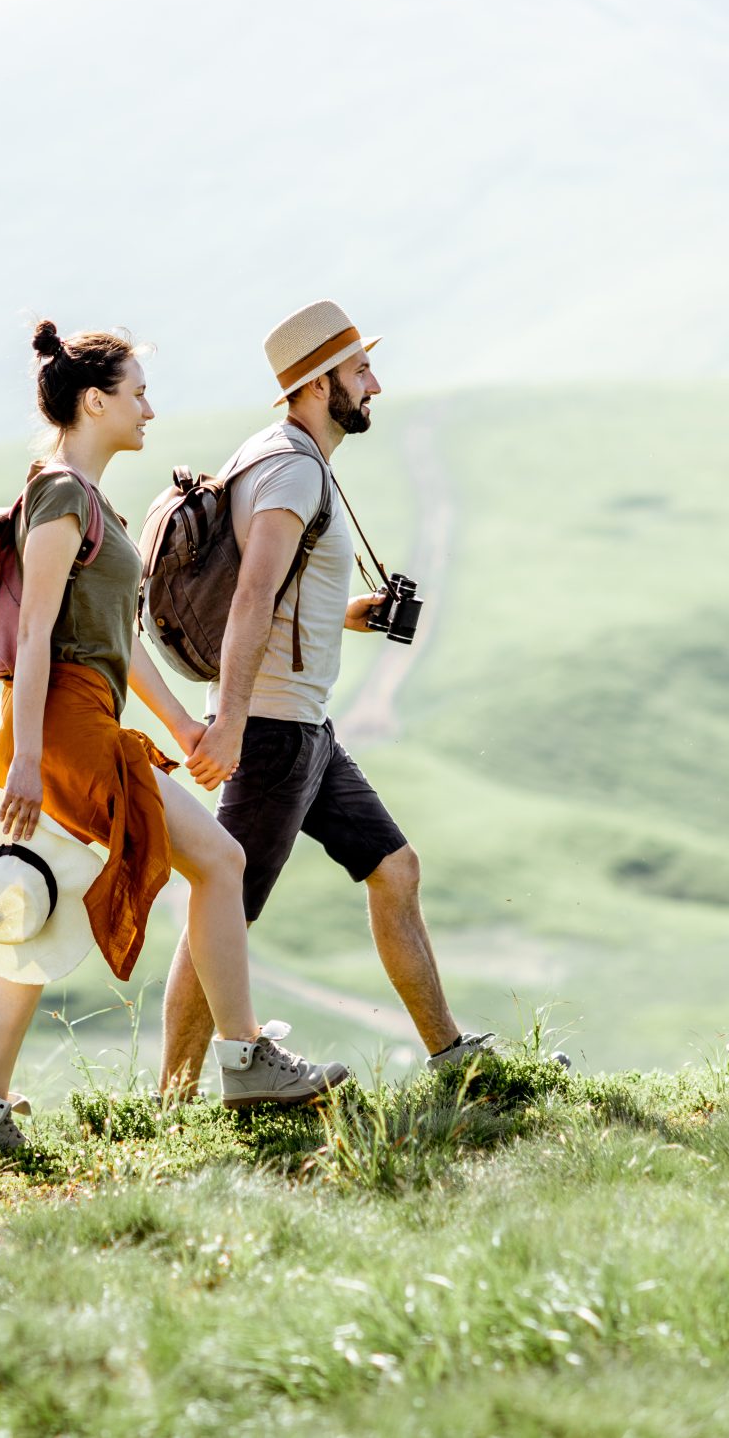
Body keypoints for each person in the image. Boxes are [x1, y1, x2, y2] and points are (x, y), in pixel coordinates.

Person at [0, 320, 349, 1154]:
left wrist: (184, 726)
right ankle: (244, 1057)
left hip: (74, 717)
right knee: (222, 860)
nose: (149, 410)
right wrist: (26, 757)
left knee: (34, 906)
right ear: (95, 401)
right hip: (57, 725)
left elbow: (117, 646)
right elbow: (35, 639)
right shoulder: (60, 496)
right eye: (136, 394)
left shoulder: (89, 503)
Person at [160, 301, 495, 1099]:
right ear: (317, 383)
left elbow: (282, 594)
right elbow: (250, 595)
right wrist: (233, 721)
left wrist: (353, 614)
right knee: (225, 913)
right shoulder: (291, 467)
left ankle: (451, 1056)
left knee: (395, 867)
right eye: (359, 371)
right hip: (273, 730)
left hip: (306, 728)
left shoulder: (286, 457)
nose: (373, 383)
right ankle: (169, 1104)